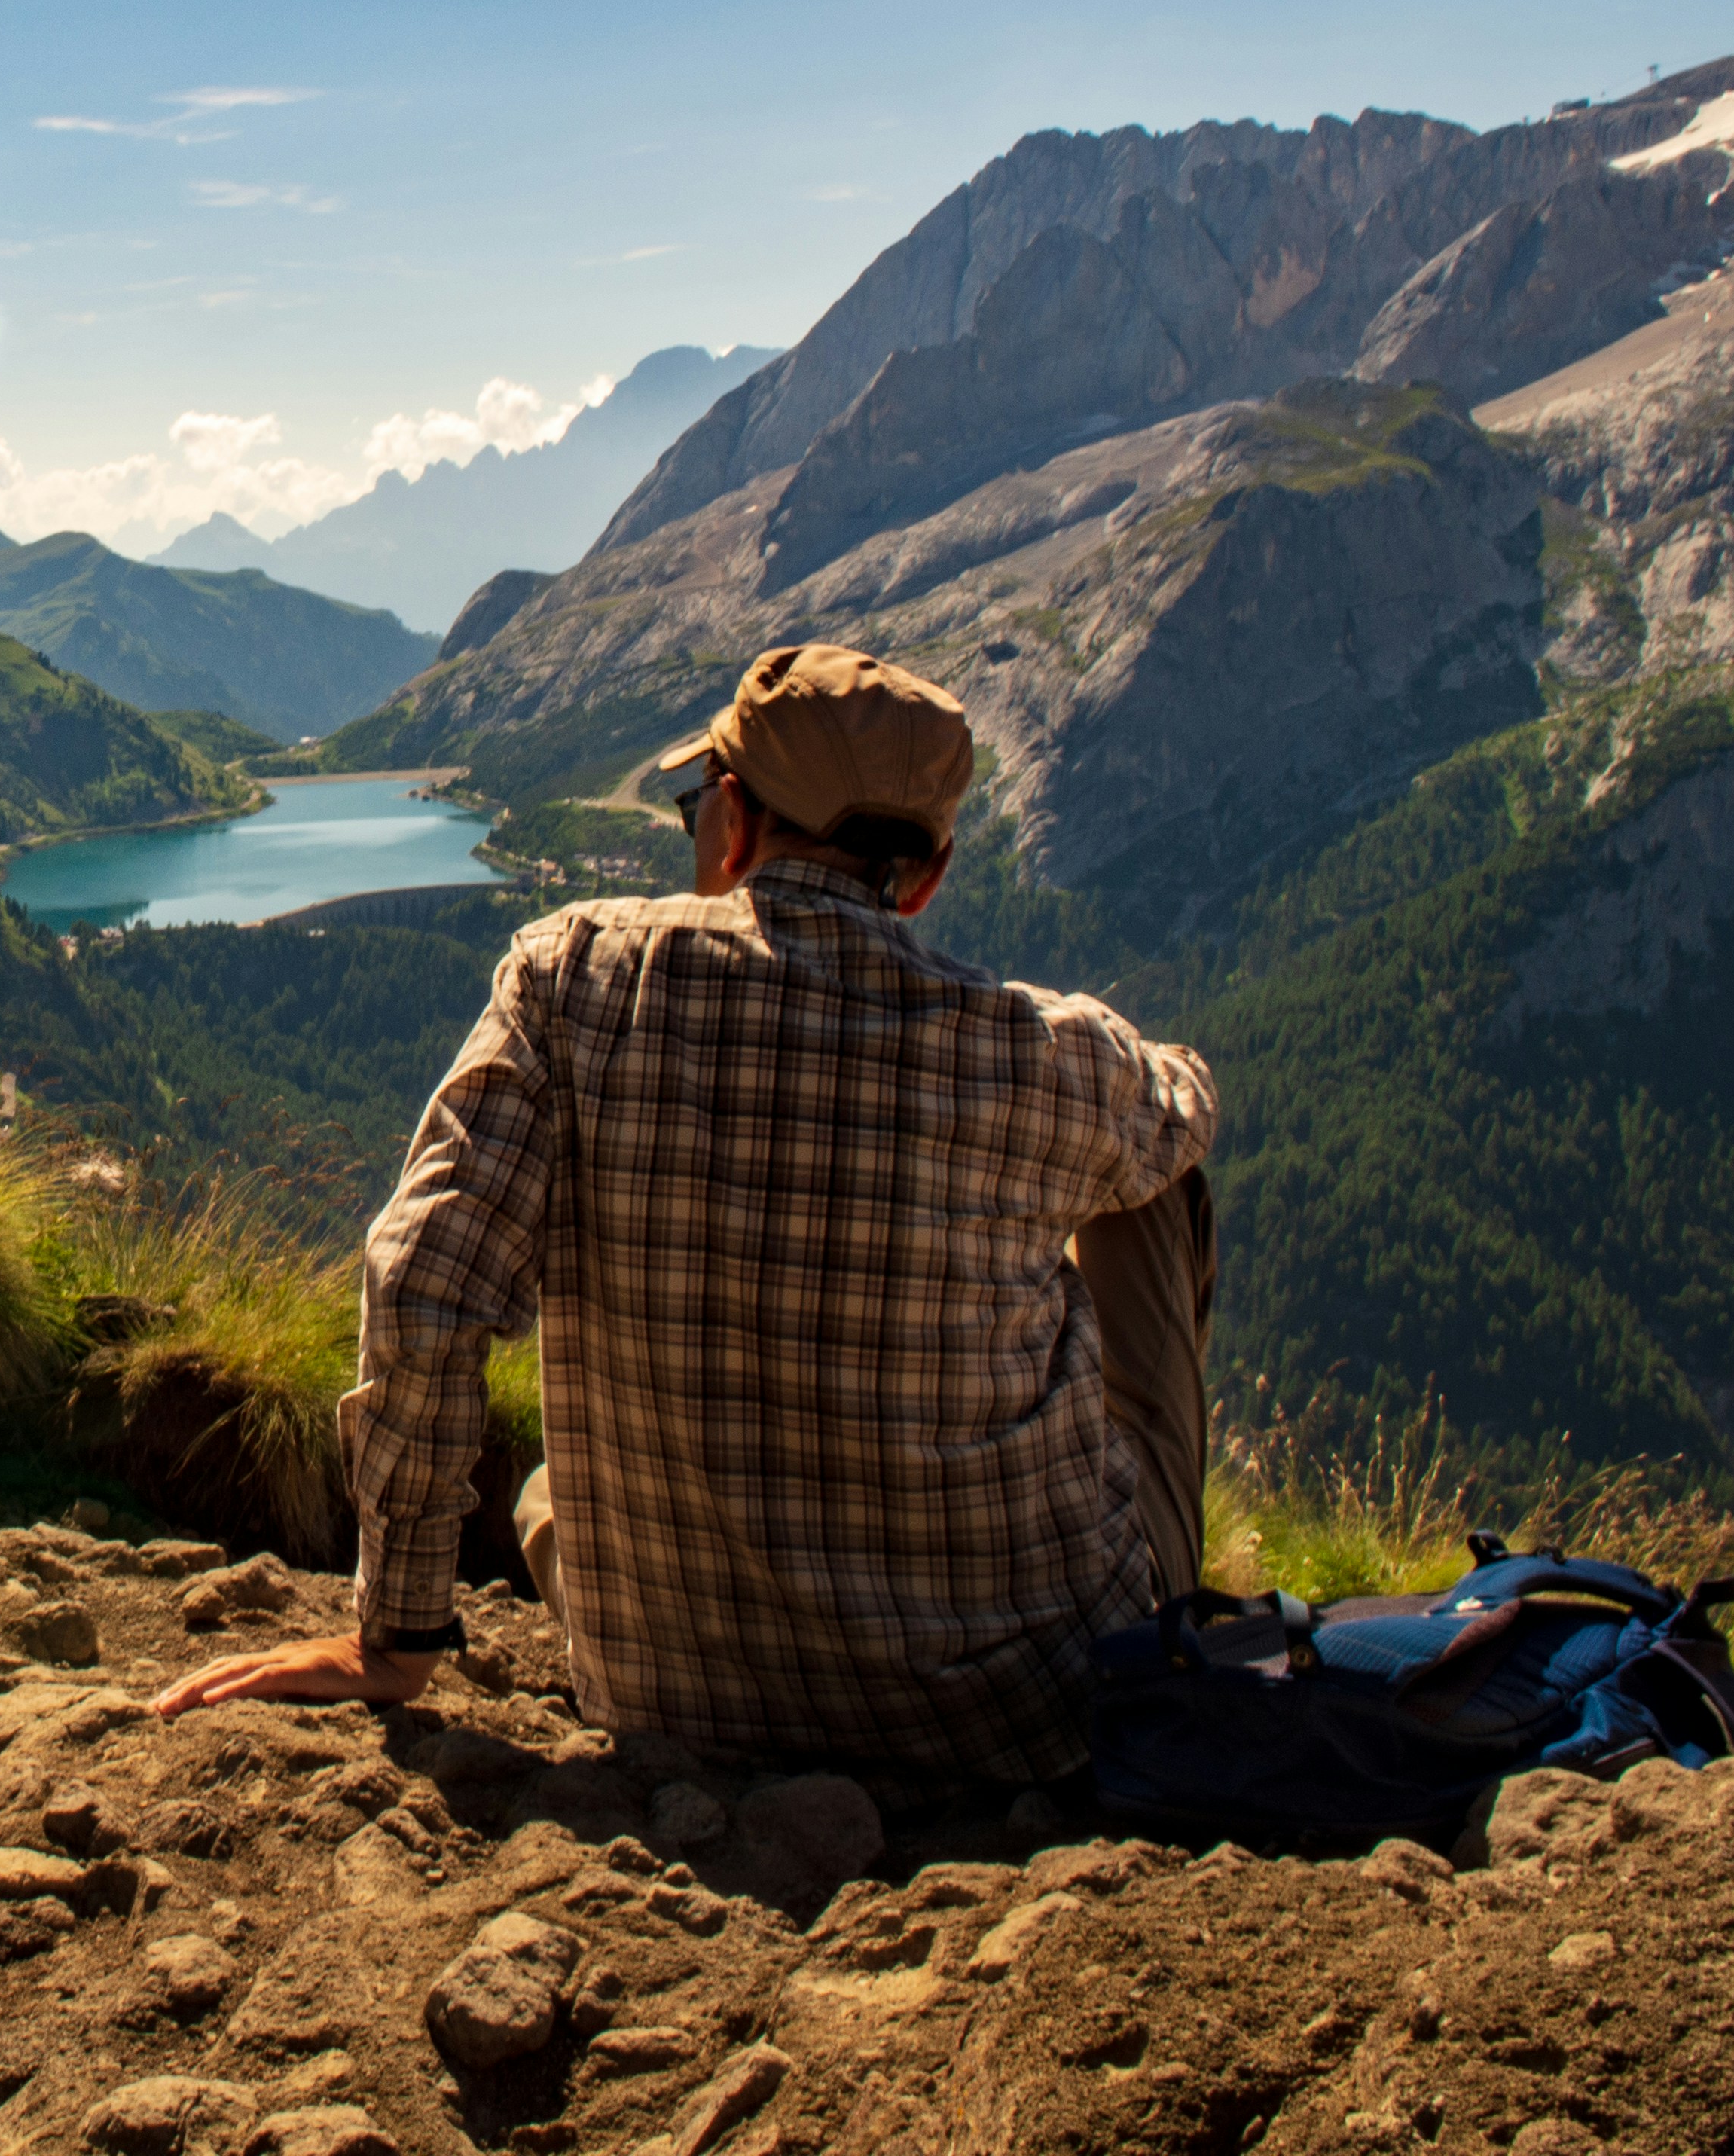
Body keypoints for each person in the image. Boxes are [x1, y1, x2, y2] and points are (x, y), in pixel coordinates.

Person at [151, 642, 1217, 1785]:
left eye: (695, 801)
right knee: (1160, 1178)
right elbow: (1186, 1103)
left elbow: (420, 1280)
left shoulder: (572, 978)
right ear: (926, 876)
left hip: (666, 1696)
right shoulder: (1042, 1056)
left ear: (736, 826)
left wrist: (395, 1637)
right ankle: (1166, 1616)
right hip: (1015, 1718)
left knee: (553, 1496)